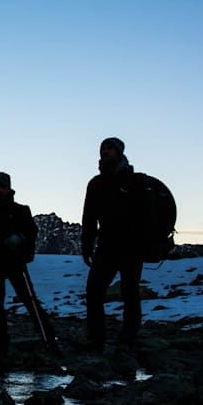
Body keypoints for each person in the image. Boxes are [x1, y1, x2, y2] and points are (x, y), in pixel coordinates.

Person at [0, 172, 58, 357]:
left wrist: (20, 239)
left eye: (2, 187)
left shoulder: (20, 211)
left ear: (9, 188)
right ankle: (2, 343)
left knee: (29, 300)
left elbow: (31, 231)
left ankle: (48, 339)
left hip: (15, 263)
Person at [81, 137, 143, 352]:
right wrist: (86, 245)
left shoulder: (135, 181)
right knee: (94, 292)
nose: (106, 152)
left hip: (131, 246)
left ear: (119, 152)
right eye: (103, 149)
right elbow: (89, 217)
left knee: (130, 293)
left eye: (110, 149)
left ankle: (127, 340)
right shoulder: (96, 184)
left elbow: (145, 216)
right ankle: (96, 339)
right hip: (106, 245)